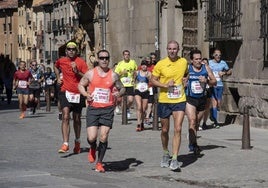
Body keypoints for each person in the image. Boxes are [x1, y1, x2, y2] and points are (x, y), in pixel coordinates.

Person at [78, 49, 125, 173]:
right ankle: (92, 147)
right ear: (98, 59)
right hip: (93, 108)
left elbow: (122, 88)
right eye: (102, 58)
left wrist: (118, 93)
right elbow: (80, 85)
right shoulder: (90, 74)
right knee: (92, 137)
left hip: (108, 109)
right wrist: (85, 94)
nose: (104, 60)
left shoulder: (114, 75)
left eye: (106, 58)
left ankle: (99, 162)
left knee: (103, 137)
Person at [151, 40, 188, 171]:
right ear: (167, 50)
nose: (172, 51)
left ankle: (175, 158)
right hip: (165, 100)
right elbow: (152, 80)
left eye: (174, 49)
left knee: (178, 129)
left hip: (179, 100)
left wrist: (185, 80)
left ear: (178, 50)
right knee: (165, 130)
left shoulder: (183, 62)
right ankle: (166, 153)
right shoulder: (161, 64)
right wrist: (165, 85)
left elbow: (186, 74)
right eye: (170, 49)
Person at [54, 42, 88, 154]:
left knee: (77, 119)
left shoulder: (81, 62)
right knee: (65, 116)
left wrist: (77, 72)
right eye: (69, 49)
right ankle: (65, 143)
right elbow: (56, 66)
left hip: (78, 92)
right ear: (66, 51)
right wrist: (58, 77)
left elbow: (88, 77)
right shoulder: (62, 60)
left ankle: (77, 141)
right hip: (65, 91)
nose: (71, 51)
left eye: (73, 49)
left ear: (76, 51)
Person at [185, 50, 216, 154]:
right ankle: (194, 145)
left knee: (196, 123)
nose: (198, 61)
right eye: (196, 59)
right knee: (192, 121)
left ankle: (191, 141)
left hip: (202, 99)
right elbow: (182, 79)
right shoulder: (188, 69)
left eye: (200, 59)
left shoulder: (206, 68)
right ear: (192, 60)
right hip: (190, 99)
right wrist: (184, 82)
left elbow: (214, 82)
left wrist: (206, 81)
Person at [209, 49, 232, 128]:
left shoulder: (223, 63)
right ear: (213, 55)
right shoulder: (210, 63)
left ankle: (212, 112)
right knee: (214, 102)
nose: (218, 56)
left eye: (219, 55)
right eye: (216, 55)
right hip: (212, 85)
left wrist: (224, 73)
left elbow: (230, 71)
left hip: (220, 85)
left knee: (219, 103)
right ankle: (216, 122)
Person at [114, 50, 137, 118]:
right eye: (125, 54)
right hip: (122, 85)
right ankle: (122, 113)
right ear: (123, 55)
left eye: (128, 54)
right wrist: (122, 73)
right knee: (121, 99)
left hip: (130, 84)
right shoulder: (120, 64)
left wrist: (134, 78)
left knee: (130, 100)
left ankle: (127, 108)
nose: (126, 56)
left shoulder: (133, 62)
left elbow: (135, 71)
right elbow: (115, 74)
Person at [134, 60, 151, 131]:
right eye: (143, 65)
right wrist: (134, 85)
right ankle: (138, 123)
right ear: (141, 66)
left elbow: (151, 81)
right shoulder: (137, 72)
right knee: (139, 106)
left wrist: (148, 78)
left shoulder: (149, 73)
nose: (144, 66)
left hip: (145, 91)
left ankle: (142, 123)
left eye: (145, 65)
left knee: (143, 109)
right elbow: (133, 80)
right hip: (138, 90)